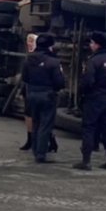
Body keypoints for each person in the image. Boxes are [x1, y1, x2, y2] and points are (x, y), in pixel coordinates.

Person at [73, 32, 106, 171]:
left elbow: (88, 81)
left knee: (89, 127)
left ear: (97, 44)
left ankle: (86, 161)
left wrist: (84, 92)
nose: (90, 45)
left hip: (94, 98)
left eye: (91, 43)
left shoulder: (94, 61)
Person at [21, 34, 65, 163]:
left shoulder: (29, 60)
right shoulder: (53, 61)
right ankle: (41, 154)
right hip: (47, 95)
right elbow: (59, 82)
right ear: (50, 46)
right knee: (45, 125)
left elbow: (25, 78)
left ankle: (35, 150)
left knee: (35, 123)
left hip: (32, 94)